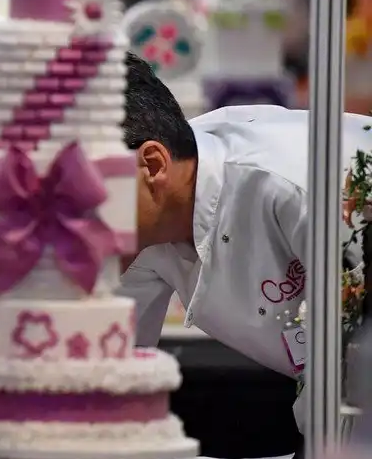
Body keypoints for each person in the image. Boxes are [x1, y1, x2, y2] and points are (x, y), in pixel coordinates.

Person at [118, 52, 372, 428]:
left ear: (153, 165)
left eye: (79, 193)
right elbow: (109, 377)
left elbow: (354, 381)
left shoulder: (305, 188)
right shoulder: (144, 219)